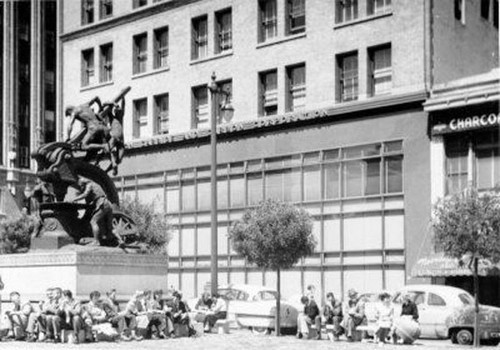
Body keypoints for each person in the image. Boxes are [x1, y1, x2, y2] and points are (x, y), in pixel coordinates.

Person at [72, 178, 123, 247]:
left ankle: (96, 241)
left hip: (102, 204)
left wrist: (75, 199)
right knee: (110, 227)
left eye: (81, 186)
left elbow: (85, 194)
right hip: (108, 204)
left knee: (93, 221)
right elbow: (96, 197)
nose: (82, 187)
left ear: (83, 183)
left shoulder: (89, 184)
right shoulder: (97, 185)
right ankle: (121, 241)